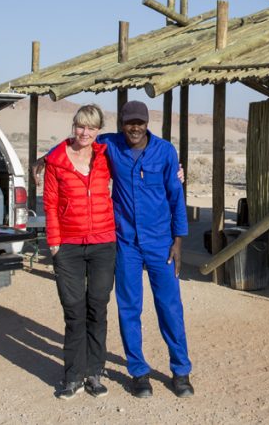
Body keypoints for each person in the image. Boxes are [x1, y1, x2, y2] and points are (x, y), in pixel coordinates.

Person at [99, 100, 194, 398]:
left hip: (161, 243)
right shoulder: (110, 146)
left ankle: (181, 371)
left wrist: (178, 242)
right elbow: (80, 139)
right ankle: (138, 372)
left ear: (147, 123)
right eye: (130, 123)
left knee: (170, 307)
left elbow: (176, 196)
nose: (135, 128)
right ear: (122, 125)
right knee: (129, 308)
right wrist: (45, 158)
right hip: (126, 243)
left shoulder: (165, 151)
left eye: (140, 122)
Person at [43, 104, 116, 399]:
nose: (85, 133)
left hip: (102, 243)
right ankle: (73, 375)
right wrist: (54, 242)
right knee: (74, 311)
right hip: (69, 246)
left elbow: (139, 161)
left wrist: (174, 172)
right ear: (73, 126)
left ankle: (95, 373)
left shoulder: (105, 156)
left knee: (97, 308)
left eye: (91, 128)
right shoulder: (56, 160)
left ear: (98, 131)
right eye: (80, 126)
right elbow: (49, 203)